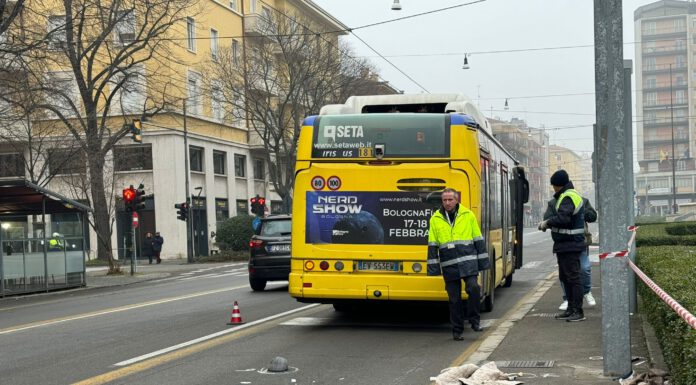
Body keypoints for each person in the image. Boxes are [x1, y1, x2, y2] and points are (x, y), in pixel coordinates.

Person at [427, 188, 490, 340]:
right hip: (449, 266)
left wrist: (483, 263)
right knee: (454, 299)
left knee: (474, 289)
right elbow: (432, 245)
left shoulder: (468, 215)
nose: (447, 203)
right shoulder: (435, 219)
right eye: (444, 200)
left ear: (456, 200)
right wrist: (434, 268)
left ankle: (474, 321)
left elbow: (478, 239)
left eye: (450, 200)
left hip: (468, 263)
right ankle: (457, 330)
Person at [538, 170, 586, 322]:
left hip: (570, 244)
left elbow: (564, 218)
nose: (553, 188)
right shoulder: (566, 196)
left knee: (573, 277)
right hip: (566, 244)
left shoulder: (568, 197)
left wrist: (548, 222)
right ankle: (571, 308)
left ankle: (578, 311)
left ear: (559, 185)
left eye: (554, 185)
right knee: (566, 277)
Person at [544, 196, 598, 311]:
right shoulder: (553, 202)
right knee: (565, 272)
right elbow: (547, 219)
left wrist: (583, 212)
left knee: (584, 268)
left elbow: (593, 216)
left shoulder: (582, 200)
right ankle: (567, 299)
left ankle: (587, 292)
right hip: (564, 243)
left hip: (580, 241)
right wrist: (559, 217)